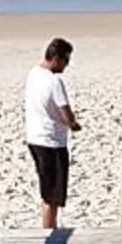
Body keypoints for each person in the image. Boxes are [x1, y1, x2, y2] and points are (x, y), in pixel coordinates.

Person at [22, 36, 79, 230]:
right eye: (66, 60)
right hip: (51, 142)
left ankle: (49, 227)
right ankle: (49, 232)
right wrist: (73, 124)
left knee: (47, 189)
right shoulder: (54, 81)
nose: (67, 66)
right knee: (52, 195)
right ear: (56, 58)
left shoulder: (33, 73)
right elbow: (65, 112)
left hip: (34, 138)